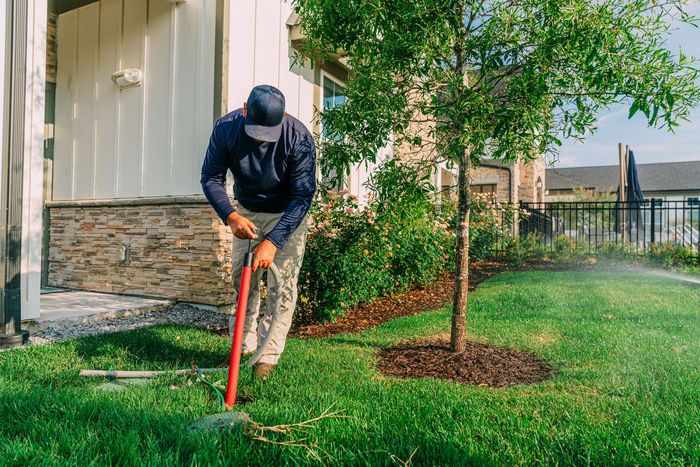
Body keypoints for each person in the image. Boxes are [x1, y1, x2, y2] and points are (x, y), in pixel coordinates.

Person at [200, 84, 316, 380]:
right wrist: (231, 216)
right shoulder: (226, 129)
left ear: (284, 116)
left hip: (286, 213)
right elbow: (211, 177)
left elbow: (302, 197)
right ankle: (242, 346)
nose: (262, 140)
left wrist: (274, 241)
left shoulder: (298, 137)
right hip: (247, 213)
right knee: (244, 282)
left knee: (283, 287)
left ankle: (267, 355)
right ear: (244, 109)